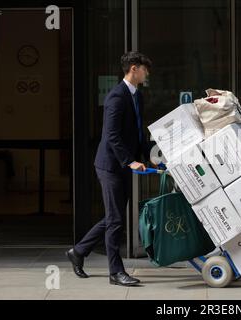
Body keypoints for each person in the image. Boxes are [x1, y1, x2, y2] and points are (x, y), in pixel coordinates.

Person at [66, 52, 155, 287]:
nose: (147, 74)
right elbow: (112, 135)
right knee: (116, 219)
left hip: (123, 164)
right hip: (110, 166)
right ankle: (115, 272)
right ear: (134, 69)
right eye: (145, 69)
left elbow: (137, 132)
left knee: (113, 217)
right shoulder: (116, 97)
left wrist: (150, 156)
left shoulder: (137, 96)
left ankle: (78, 251)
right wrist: (130, 161)